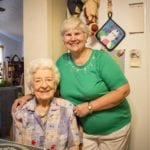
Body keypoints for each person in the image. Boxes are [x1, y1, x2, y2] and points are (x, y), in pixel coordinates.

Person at [12, 16, 131, 150]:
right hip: (85, 130)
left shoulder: (101, 59)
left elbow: (123, 90)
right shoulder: (62, 62)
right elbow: (51, 87)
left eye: (77, 33)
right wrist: (29, 96)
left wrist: (90, 107)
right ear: (64, 40)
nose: (73, 38)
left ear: (86, 37)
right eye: (68, 35)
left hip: (114, 129)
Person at [12, 58, 81, 150]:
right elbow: (18, 147)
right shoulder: (20, 111)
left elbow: (73, 146)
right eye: (38, 81)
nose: (44, 85)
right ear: (32, 86)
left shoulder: (67, 108)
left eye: (49, 80)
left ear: (55, 84)